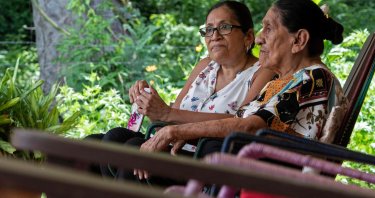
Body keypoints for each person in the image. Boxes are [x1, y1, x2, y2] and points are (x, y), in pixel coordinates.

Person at [135, 0, 347, 185]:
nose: (259, 39)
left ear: (299, 40)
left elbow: (249, 126)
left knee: (134, 164)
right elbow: (243, 122)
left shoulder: (313, 78)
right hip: (236, 171)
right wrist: (187, 134)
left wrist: (174, 132)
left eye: (269, 29)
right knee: (129, 152)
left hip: (263, 182)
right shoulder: (286, 81)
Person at [91, 0, 274, 181]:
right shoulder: (205, 66)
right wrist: (149, 104)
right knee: (104, 141)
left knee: (131, 152)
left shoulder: (262, 72)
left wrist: (168, 115)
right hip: (171, 145)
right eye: (209, 29)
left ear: (248, 37)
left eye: (224, 27)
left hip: (203, 158)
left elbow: (241, 122)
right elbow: (170, 117)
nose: (214, 36)